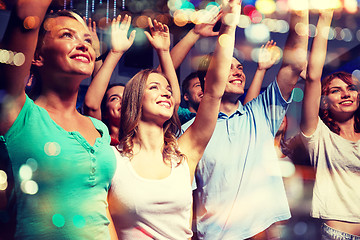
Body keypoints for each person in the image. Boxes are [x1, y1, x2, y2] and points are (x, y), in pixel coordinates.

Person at [107, 1, 240, 238]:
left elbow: (213, 92)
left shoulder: (183, 154)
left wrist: (229, 24)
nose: (167, 92)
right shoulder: (112, 160)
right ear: (136, 99)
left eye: (169, 88)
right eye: (155, 87)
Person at [182, 6, 309, 240]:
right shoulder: (188, 132)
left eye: (239, 68)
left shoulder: (260, 113)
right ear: (208, 79)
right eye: (228, 67)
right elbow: (183, 194)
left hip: (260, 233)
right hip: (212, 235)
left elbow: (294, 65)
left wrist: (299, 10)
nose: (238, 72)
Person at [0, 1, 116, 239]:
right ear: (37, 57)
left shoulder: (99, 129)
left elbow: (100, 208)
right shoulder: (18, 115)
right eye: (67, 35)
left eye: (88, 40)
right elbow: (25, 18)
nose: (83, 44)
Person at [300, 9, 360, 240]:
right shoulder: (318, 136)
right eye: (336, 91)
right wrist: (326, 16)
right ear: (324, 102)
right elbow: (314, 76)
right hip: (338, 235)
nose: (346, 94)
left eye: (350, 88)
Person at [82, 15, 135, 145]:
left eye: (127, 97)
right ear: (104, 112)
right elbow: (93, 103)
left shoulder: (141, 141)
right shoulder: (101, 137)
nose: (123, 101)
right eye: (114, 98)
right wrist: (115, 52)